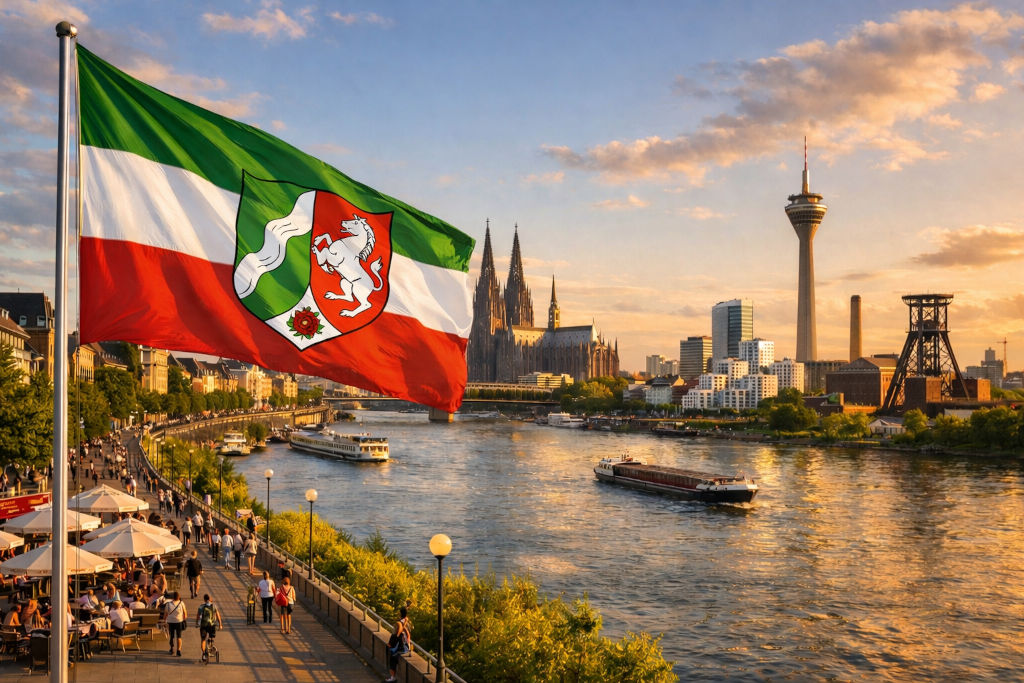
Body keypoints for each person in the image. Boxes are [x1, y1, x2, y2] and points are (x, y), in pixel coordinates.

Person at [385, 605, 412, 683]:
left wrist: (390, 643)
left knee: (392, 657)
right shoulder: (408, 622)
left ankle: (393, 677)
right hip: (407, 645)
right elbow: (408, 635)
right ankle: (392, 676)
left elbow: (396, 634)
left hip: (401, 647)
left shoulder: (398, 623)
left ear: (400, 613)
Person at [196, 594, 222, 663]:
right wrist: (220, 624)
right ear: (210, 599)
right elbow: (218, 615)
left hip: (203, 625)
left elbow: (198, 616)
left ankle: (204, 653)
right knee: (211, 636)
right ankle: (210, 644)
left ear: (204, 600)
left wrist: (197, 623)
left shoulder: (201, 607)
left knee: (203, 640)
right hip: (212, 625)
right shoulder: (214, 606)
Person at [164, 591, 187, 656]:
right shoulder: (181, 603)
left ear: (172, 597)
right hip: (179, 621)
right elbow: (185, 613)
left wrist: (164, 621)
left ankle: (172, 648)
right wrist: (184, 619)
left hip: (170, 621)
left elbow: (165, 614)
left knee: (172, 636)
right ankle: (178, 650)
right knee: (179, 636)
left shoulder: (168, 604)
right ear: (179, 597)